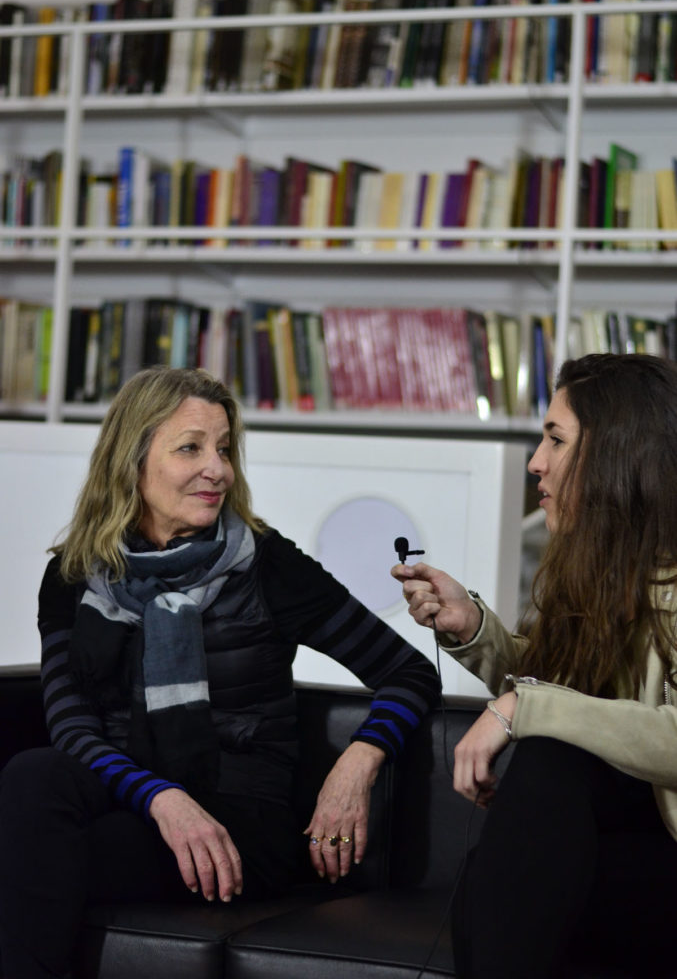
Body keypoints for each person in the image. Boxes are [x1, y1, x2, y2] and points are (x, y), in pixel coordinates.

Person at [0, 366, 440, 979]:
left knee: (36, 857)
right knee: (33, 775)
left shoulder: (268, 565)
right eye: (191, 448)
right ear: (132, 460)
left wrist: (355, 765)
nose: (218, 470)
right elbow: (70, 726)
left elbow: (409, 671)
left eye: (224, 449)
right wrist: (160, 796)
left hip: (242, 818)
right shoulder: (74, 574)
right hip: (141, 796)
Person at [392, 352, 677, 979]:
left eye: (556, 440)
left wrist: (524, 706)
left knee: (543, 775)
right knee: (498, 866)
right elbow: (569, 693)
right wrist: (475, 628)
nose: (535, 463)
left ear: (617, 455)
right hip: (633, 843)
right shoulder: (599, 568)